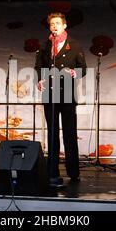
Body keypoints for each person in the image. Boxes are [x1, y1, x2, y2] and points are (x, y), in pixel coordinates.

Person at [35, 12, 87, 187]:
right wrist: (40, 79)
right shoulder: (45, 45)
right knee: (52, 133)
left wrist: (74, 73)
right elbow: (38, 66)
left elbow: (83, 69)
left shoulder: (75, 45)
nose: (54, 26)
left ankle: (73, 171)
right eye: (52, 24)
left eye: (57, 23)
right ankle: (52, 172)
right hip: (50, 93)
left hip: (67, 93)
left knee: (69, 133)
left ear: (64, 26)